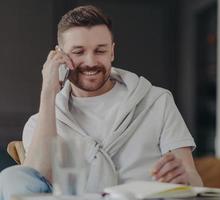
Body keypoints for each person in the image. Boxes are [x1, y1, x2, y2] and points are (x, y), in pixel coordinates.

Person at [0, 5, 202, 200]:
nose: (90, 62)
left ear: (112, 52)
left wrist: (184, 180)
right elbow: (33, 185)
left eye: (100, 51)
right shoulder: (41, 122)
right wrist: (48, 93)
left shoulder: (157, 101)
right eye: (78, 52)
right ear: (59, 55)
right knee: (10, 178)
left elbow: (194, 180)